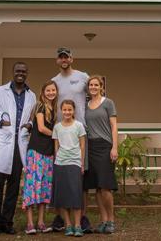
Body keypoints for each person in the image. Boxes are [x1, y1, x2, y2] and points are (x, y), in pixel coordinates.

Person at [0, 62, 37, 237]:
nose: (20, 73)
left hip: (20, 145)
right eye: (18, 70)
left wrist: (30, 124)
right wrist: (0, 121)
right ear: (13, 73)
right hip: (3, 144)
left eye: (23, 71)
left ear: (27, 73)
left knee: (13, 187)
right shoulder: (0, 92)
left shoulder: (31, 95)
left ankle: (7, 222)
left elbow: (33, 116)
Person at [50, 47, 92, 232]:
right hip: (61, 133)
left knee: (80, 178)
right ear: (57, 61)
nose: (63, 59)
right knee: (62, 179)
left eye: (66, 56)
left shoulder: (83, 76)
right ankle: (61, 218)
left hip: (80, 131)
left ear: (72, 59)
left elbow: (94, 96)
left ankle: (82, 218)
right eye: (60, 57)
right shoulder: (54, 81)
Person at [22, 80, 58, 235]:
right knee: (32, 187)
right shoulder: (40, 106)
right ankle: (30, 223)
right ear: (43, 92)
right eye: (48, 90)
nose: (51, 93)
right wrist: (59, 134)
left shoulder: (54, 109)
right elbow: (42, 128)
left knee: (44, 188)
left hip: (48, 153)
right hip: (36, 151)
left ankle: (41, 222)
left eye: (53, 90)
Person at [83, 76, 118, 234]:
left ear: (101, 87)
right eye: (91, 85)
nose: (93, 87)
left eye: (96, 85)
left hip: (105, 146)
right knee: (97, 187)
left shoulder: (108, 103)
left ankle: (111, 220)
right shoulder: (85, 105)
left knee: (105, 186)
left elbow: (114, 126)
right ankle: (103, 221)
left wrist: (114, 147)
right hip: (90, 147)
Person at [52, 99, 87, 237]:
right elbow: (56, 146)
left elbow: (82, 146)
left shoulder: (79, 126)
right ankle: (68, 225)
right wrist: (57, 161)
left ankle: (77, 225)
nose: (67, 112)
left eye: (69, 110)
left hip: (75, 163)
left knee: (76, 195)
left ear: (74, 111)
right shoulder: (57, 127)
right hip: (60, 163)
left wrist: (82, 163)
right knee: (63, 195)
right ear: (61, 111)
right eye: (64, 110)